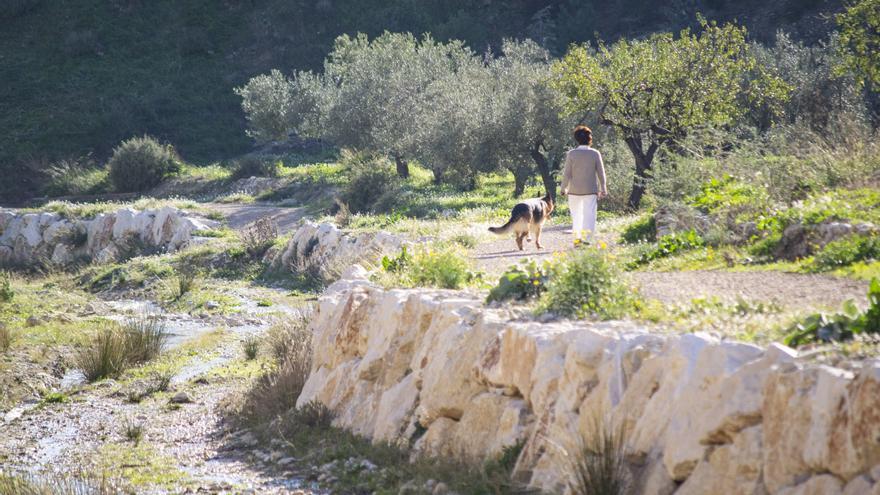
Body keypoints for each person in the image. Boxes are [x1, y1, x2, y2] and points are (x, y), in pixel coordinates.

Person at [560, 125, 607, 244]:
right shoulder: (595, 153)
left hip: (574, 191)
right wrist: (603, 188)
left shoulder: (571, 154)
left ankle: (577, 239)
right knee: (589, 216)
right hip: (590, 191)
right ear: (589, 138)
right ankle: (587, 240)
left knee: (576, 216)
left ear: (577, 139)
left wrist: (563, 188)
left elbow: (567, 173)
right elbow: (601, 173)